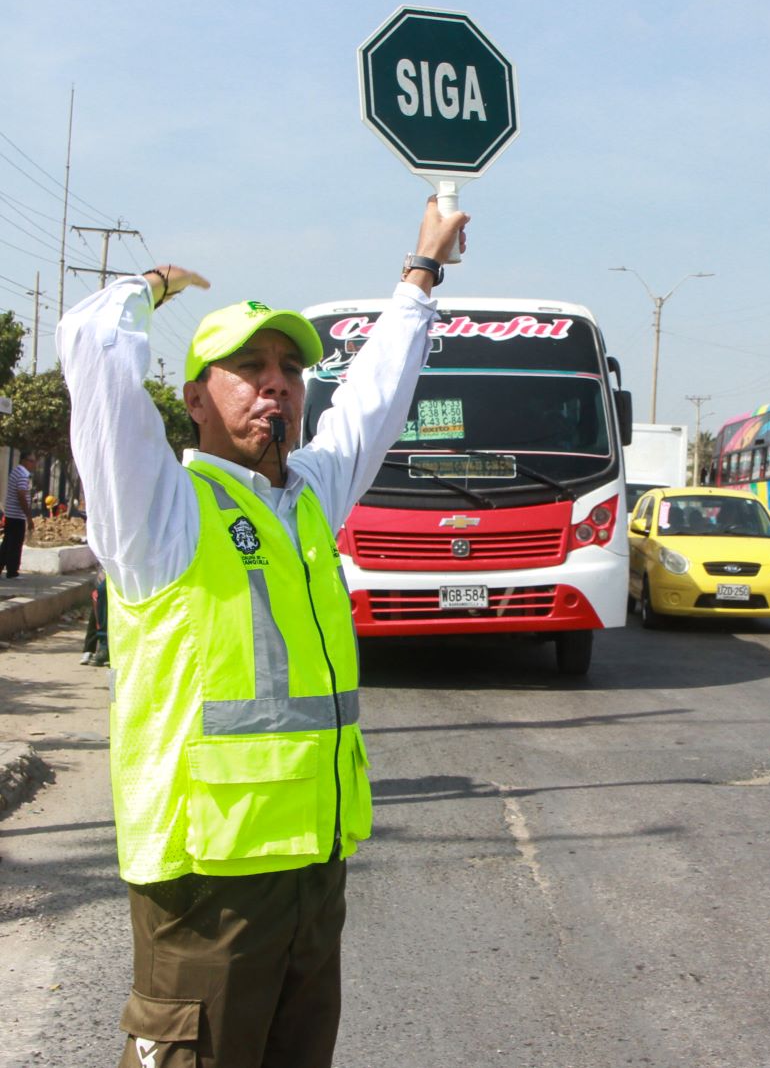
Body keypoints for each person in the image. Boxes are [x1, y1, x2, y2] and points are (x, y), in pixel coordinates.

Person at [60, 196, 467, 1068]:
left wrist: (421, 273)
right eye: (246, 367)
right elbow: (93, 350)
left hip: (314, 872)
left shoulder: (306, 499)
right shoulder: (163, 509)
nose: (275, 381)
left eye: (288, 367)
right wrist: (151, 287)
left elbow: (376, 399)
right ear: (195, 398)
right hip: (208, 886)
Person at [0, 452, 35, 577]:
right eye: (32, 461)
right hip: (17, 515)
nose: (34, 464)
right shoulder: (23, 474)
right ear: (24, 461)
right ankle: (12, 571)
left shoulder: (15, 471)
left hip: (10, 513)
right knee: (15, 544)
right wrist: (29, 518)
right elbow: (21, 495)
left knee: (7, 542)